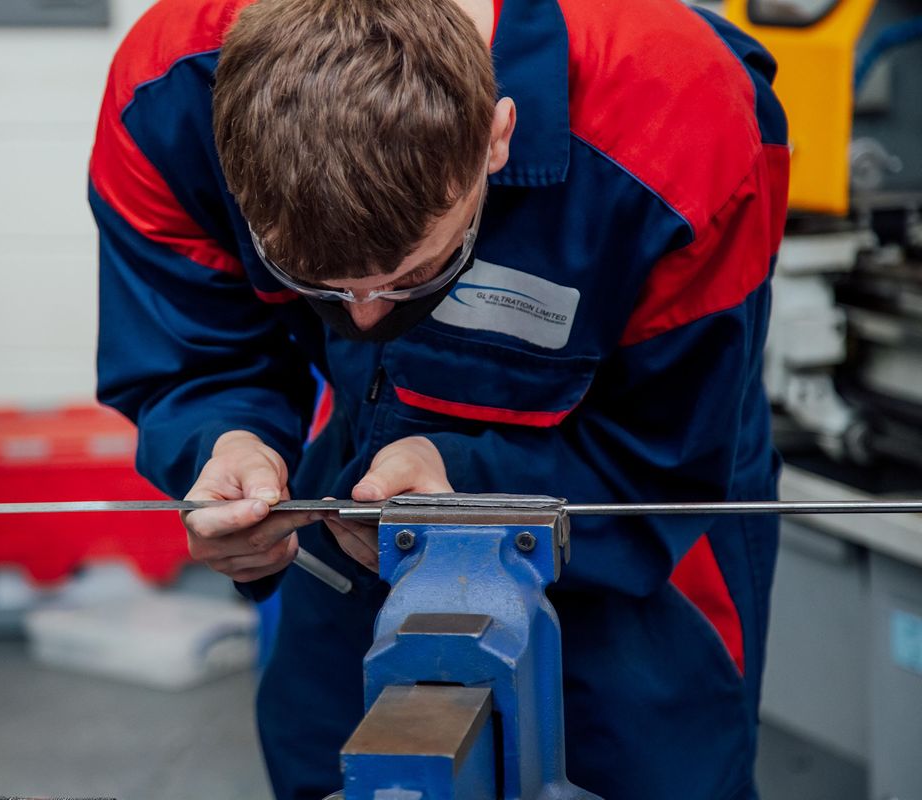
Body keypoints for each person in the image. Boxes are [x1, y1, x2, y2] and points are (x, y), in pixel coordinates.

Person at [89, 0, 790, 797]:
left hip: (634, 505)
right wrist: (225, 440)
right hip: (359, 496)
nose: (363, 319)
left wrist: (461, 475)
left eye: (414, 275)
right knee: (335, 762)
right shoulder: (166, 94)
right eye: (316, 283)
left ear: (497, 136)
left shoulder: (678, 125)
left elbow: (662, 448)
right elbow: (194, 347)